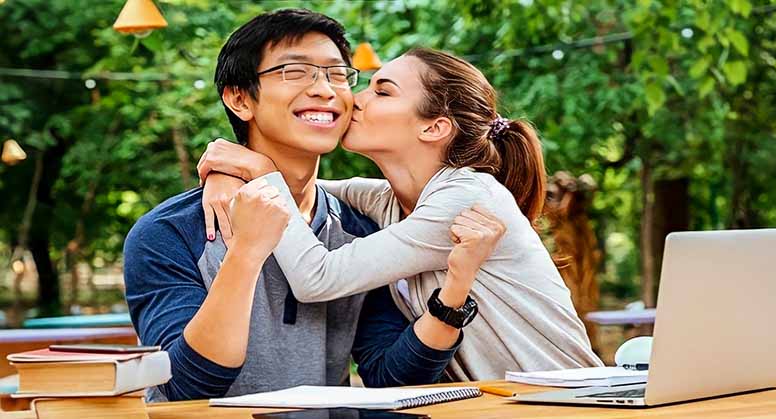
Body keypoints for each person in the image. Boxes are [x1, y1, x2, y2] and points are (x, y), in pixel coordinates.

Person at [123, 9, 499, 402]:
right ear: (239, 98)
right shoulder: (167, 233)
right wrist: (247, 253)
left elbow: (390, 378)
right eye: (294, 72)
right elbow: (187, 385)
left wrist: (453, 296)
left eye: (337, 74)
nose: (325, 89)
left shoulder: (360, 227)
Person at [198, 47, 604, 382]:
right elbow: (303, 189)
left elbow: (317, 277)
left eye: (383, 91)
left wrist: (262, 173)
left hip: (570, 403)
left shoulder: (464, 197)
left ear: (433, 128)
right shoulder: (393, 200)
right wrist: (227, 174)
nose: (355, 99)